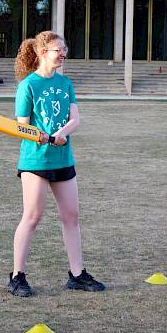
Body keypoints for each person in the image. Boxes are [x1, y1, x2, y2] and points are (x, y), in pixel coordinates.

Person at [8, 31, 105, 297]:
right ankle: (17, 276)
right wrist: (38, 135)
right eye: (57, 50)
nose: (63, 54)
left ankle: (77, 275)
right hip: (36, 160)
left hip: (63, 158)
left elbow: (75, 119)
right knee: (33, 216)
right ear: (42, 53)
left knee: (71, 217)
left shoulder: (65, 83)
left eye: (64, 49)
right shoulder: (27, 85)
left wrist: (61, 133)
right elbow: (21, 126)